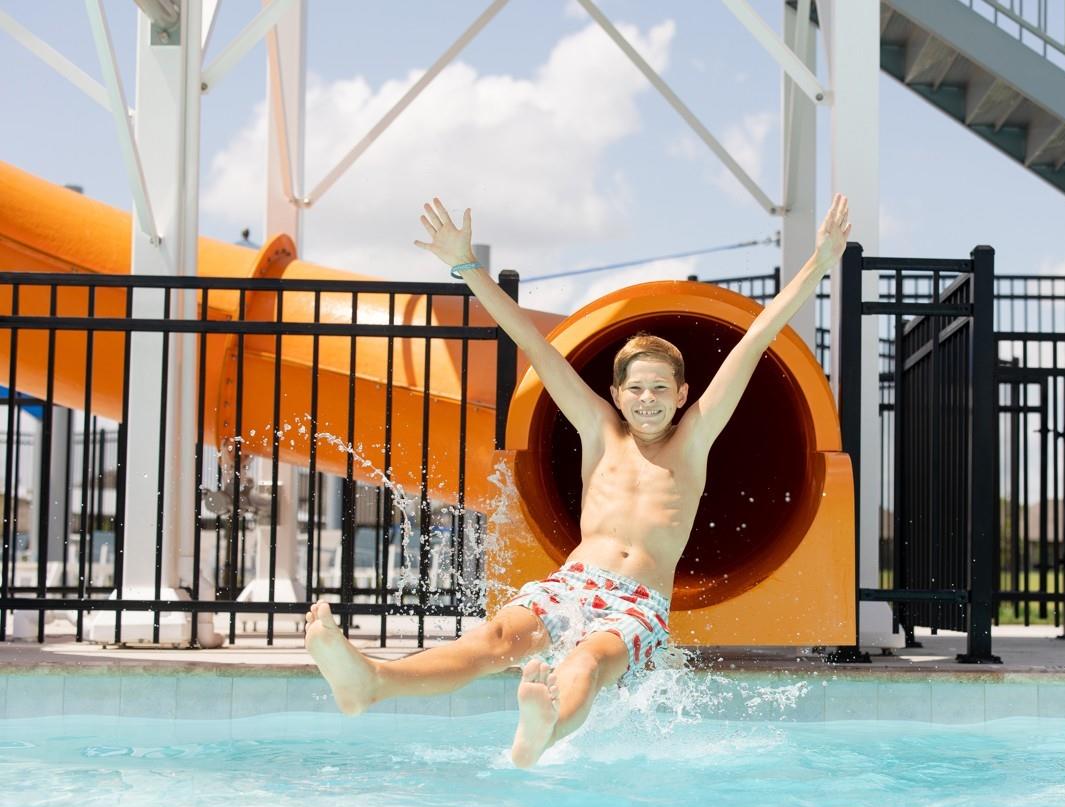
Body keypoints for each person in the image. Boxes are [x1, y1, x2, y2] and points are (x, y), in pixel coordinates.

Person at [304, 194, 851, 767]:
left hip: (637, 604)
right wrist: (466, 268)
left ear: (684, 396)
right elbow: (535, 346)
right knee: (491, 642)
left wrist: (818, 263)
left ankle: (545, 728)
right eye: (635, 390)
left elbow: (754, 341)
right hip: (571, 582)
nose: (647, 400)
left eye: (661, 389)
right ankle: (371, 681)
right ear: (615, 395)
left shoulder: (693, 441)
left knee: (585, 663)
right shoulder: (601, 430)